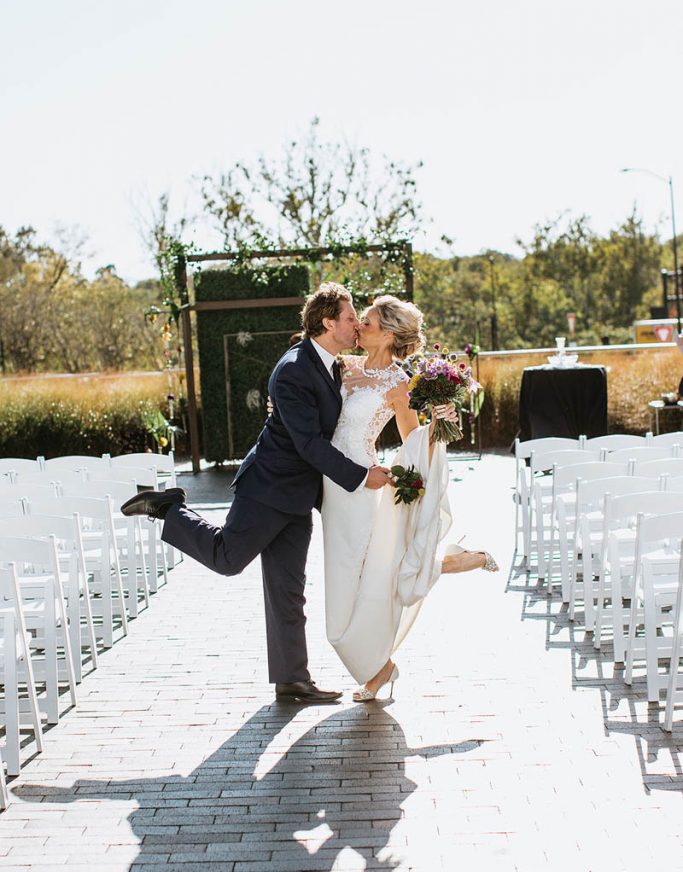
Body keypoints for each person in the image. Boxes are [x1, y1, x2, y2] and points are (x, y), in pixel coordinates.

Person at [120, 283, 390, 704]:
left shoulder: (331, 364)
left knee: (288, 589)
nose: (356, 324)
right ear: (327, 322)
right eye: (351, 317)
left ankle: (292, 679)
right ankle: (171, 510)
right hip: (267, 487)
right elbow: (309, 445)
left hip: (298, 497)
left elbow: (381, 374)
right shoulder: (293, 369)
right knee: (228, 559)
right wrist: (360, 475)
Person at [320, 294, 497, 702]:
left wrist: (441, 425)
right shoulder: (342, 367)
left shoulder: (399, 383)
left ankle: (377, 670)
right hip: (332, 487)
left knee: (381, 572)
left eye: (366, 321)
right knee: (346, 582)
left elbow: (412, 438)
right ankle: (379, 666)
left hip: (365, 483)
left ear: (387, 333)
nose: (358, 326)